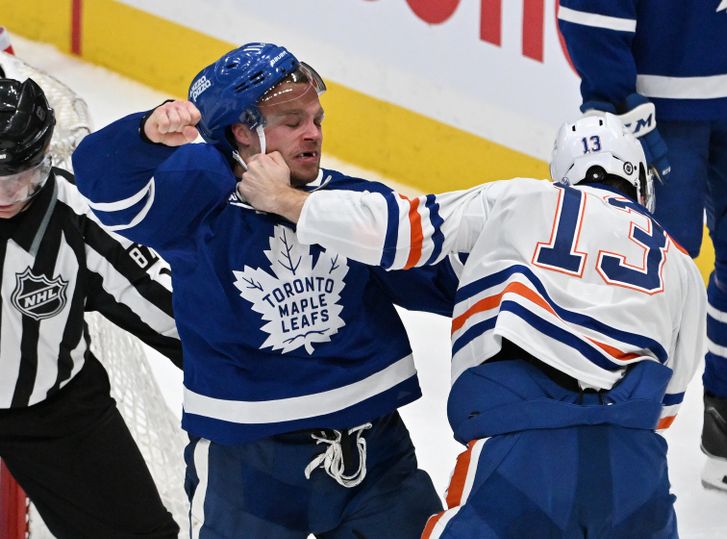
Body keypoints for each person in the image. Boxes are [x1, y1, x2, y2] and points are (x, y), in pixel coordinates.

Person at [239, 112, 707, 537]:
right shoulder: (680, 264)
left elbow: (400, 230)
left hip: (522, 449)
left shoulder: (520, 198)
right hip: (632, 469)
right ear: (641, 182)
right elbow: (666, 406)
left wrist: (284, 199)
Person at [73, 42, 458, 538]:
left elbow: (441, 279)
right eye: (292, 120)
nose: (313, 133)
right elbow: (99, 177)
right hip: (248, 466)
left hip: (375, 456)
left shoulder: (349, 203)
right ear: (241, 131)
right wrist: (147, 131)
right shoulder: (197, 200)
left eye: (316, 118)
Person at [557, 0, 727, 503]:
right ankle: (606, 436)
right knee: (643, 274)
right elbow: (590, 11)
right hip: (660, 108)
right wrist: (616, 102)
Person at [0, 77, 182, 537]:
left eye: (25, 176)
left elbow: (156, 305)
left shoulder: (73, 214)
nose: (10, 196)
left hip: (56, 413)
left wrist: (251, 366)